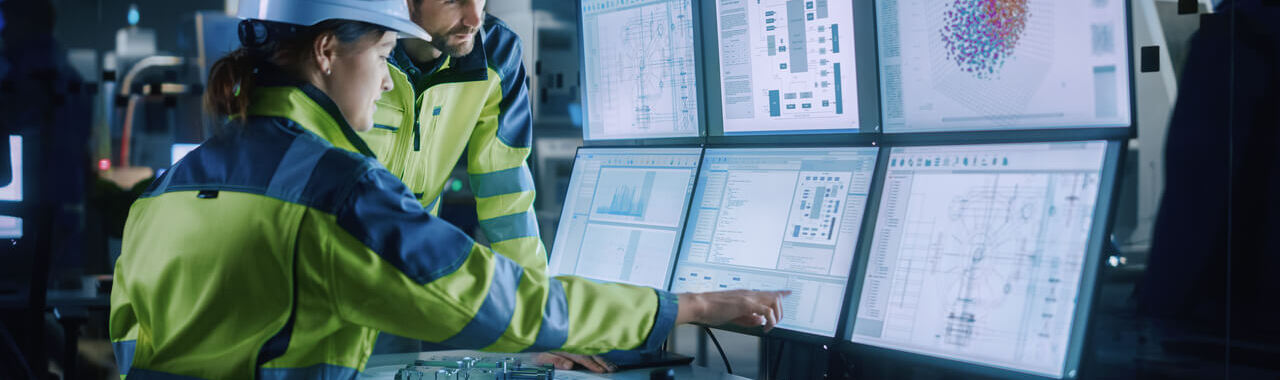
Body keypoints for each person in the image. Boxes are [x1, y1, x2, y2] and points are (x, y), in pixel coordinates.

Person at [107, 0, 787, 378]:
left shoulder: (166, 190)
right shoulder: (339, 193)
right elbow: (497, 300)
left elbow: (132, 343)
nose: (384, 78)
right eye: (379, 56)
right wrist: (686, 306)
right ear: (325, 52)